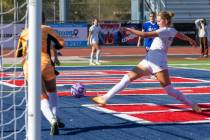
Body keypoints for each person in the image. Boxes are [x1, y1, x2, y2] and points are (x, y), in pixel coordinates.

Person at [92, 11, 202, 113]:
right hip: (148, 60)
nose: (157, 22)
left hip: (158, 62)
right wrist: (190, 39)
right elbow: (180, 35)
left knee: (169, 90)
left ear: (166, 21)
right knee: (127, 78)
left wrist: (129, 30)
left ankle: (193, 105)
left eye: (159, 20)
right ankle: (104, 98)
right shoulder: (171, 30)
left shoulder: (164, 30)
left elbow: (144, 35)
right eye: (157, 20)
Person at [16, 13, 65, 135]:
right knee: (52, 90)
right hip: (45, 62)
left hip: (29, 64)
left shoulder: (24, 32)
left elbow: (19, 53)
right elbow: (61, 44)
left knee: (41, 96)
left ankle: (52, 119)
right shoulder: (47, 29)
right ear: (44, 19)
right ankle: (55, 117)